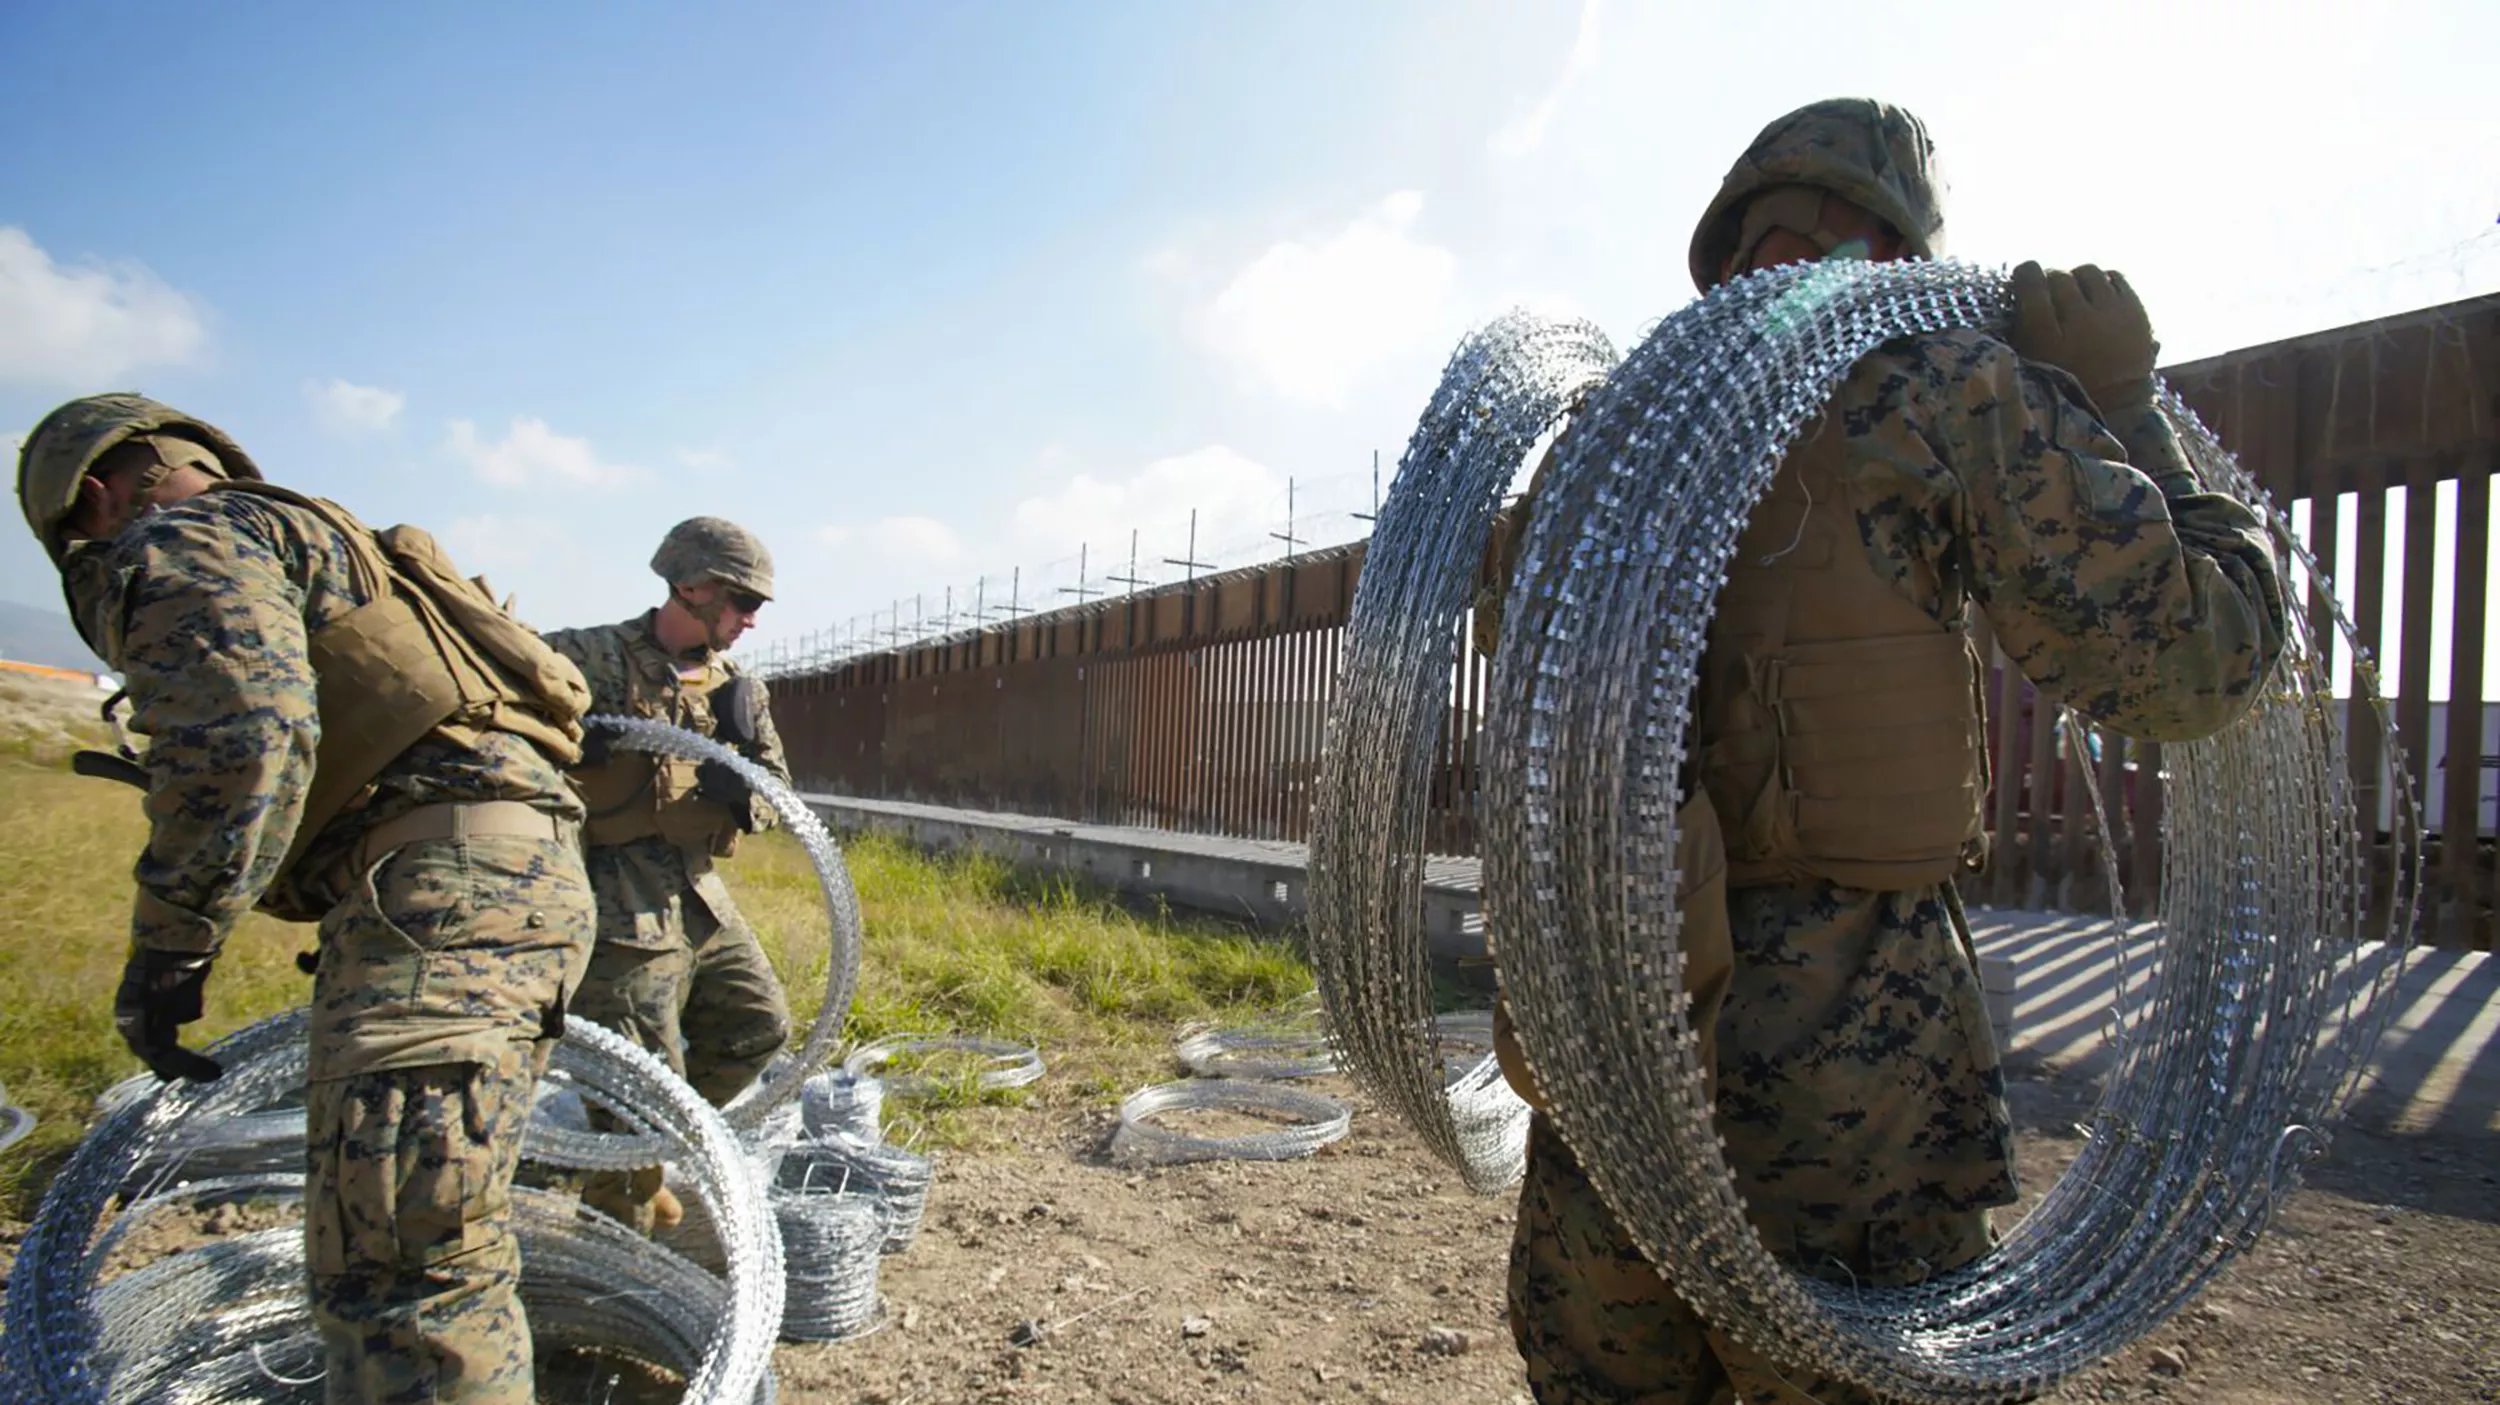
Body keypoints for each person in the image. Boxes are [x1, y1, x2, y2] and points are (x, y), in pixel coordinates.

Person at [1483, 98, 2290, 1403]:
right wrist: (2125, 408)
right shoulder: (1934, 388)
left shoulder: (1598, 451)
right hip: (1849, 1085)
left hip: (1604, 1064)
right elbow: (2200, 660)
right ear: (1898, 242)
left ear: (1740, 232)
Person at [15, 393, 598, 1404]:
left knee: (405, 1288)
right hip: (510, 883)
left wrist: (172, 944)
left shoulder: (184, 541)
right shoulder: (330, 541)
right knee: (429, 1253)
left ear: (100, 498)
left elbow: (246, 734)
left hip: (440, 908)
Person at [542, 516, 795, 1233]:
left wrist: (740, 792)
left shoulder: (736, 689)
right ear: (691, 585)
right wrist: (575, 743)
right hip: (614, 896)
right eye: (740, 601)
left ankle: (639, 1153)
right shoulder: (586, 657)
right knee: (643, 1085)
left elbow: (778, 790)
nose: (749, 620)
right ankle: (616, 1224)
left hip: (695, 894)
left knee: (757, 1023)